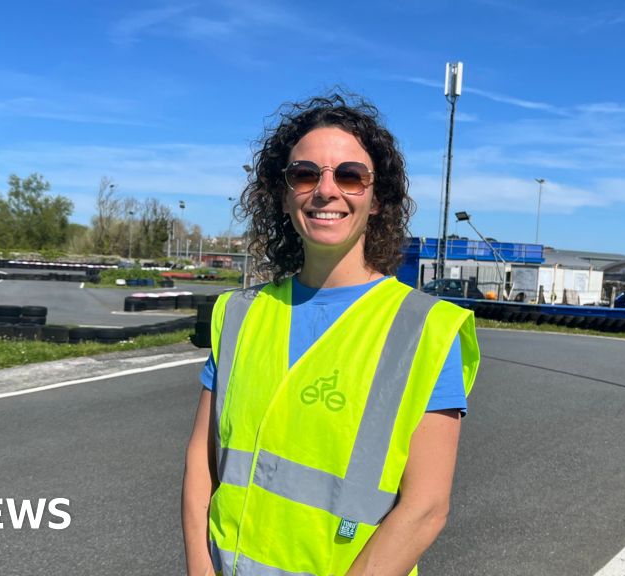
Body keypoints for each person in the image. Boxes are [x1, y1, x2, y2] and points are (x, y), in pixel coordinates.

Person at [182, 92, 480, 576]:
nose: (325, 190)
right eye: (305, 174)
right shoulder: (237, 314)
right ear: (284, 196)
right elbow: (203, 458)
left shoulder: (424, 329)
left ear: (376, 199)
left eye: (350, 175)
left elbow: (425, 508)